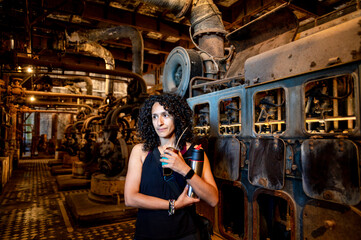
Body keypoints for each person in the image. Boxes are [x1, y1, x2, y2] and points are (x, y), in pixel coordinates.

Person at [124, 93, 218, 240]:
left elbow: (213, 199)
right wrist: (173, 205)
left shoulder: (195, 152)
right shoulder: (140, 152)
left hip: (186, 234)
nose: (159, 122)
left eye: (165, 115)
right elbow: (130, 198)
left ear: (178, 117)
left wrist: (184, 170)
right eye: (154, 116)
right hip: (148, 233)